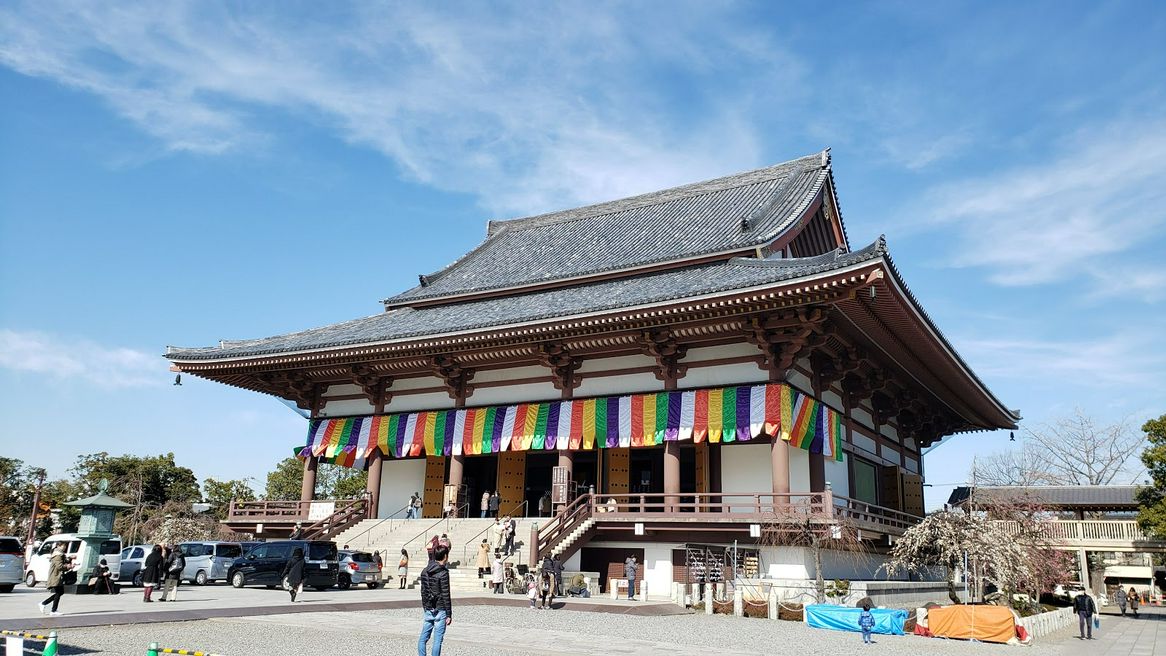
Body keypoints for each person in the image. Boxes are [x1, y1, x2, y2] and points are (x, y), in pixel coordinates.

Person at [418, 544, 453, 656]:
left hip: (428, 607)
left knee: (423, 638)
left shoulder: (424, 571)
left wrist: (425, 606)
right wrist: (449, 614)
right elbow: (445, 594)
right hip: (440, 608)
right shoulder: (443, 572)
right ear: (445, 556)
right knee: (437, 640)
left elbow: (423, 592)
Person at [38, 543, 70, 616]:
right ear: (58, 546)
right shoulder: (58, 555)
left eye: (65, 546)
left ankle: (49, 607)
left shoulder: (59, 554)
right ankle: (50, 608)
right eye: (63, 546)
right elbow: (59, 566)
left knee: (60, 592)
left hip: (57, 575)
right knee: (59, 592)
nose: (64, 547)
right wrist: (67, 566)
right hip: (56, 576)